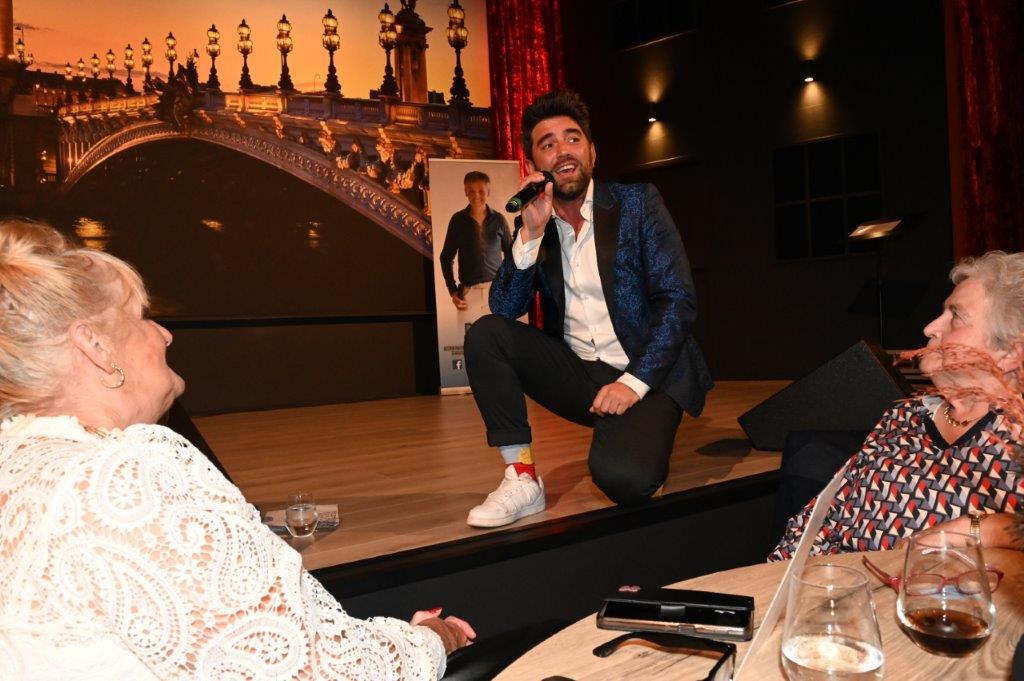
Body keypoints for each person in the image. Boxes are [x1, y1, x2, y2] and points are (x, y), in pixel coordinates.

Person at [0, 219, 474, 679]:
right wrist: (433, 638)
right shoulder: (119, 481)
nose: (164, 334)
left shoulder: (17, 463)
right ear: (96, 346)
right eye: (142, 318)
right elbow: (319, 673)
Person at [463, 90, 713, 528]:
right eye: (548, 144)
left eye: (572, 138)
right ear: (534, 166)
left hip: (647, 372)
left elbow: (678, 299)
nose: (563, 150)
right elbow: (504, 307)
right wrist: (530, 235)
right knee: (486, 333)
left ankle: (635, 434)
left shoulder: (637, 204)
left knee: (624, 479)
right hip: (580, 372)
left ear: (592, 153)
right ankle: (522, 478)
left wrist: (632, 384)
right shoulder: (536, 224)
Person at [770, 251, 1024, 561]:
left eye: (956, 317)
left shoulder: (1015, 436)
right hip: (832, 581)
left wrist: (989, 529)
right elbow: (821, 520)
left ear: (1009, 354)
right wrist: (776, 580)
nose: (930, 328)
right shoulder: (906, 415)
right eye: (942, 313)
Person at [438, 171, 512, 330]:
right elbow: (445, 257)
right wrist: (453, 291)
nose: (476, 195)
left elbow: (511, 255)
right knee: (470, 341)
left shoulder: (499, 220)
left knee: (498, 339)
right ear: (465, 191)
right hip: (468, 295)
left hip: (496, 292)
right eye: (471, 191)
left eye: (481, 191)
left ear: (488, 192)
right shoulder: (457, 220)